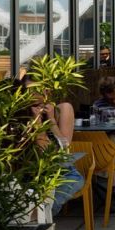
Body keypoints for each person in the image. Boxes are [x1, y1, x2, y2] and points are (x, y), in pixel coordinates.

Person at [21, 73, 84, 217]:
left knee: (47, 206)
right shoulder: (22, 113)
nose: (34, 95)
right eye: (30, 91)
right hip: (32, 172)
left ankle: (41, 222)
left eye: (39, 90)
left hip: (63, 171)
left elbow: (64, 148)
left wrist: (50, 121)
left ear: (48, 90)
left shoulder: (61, 109)